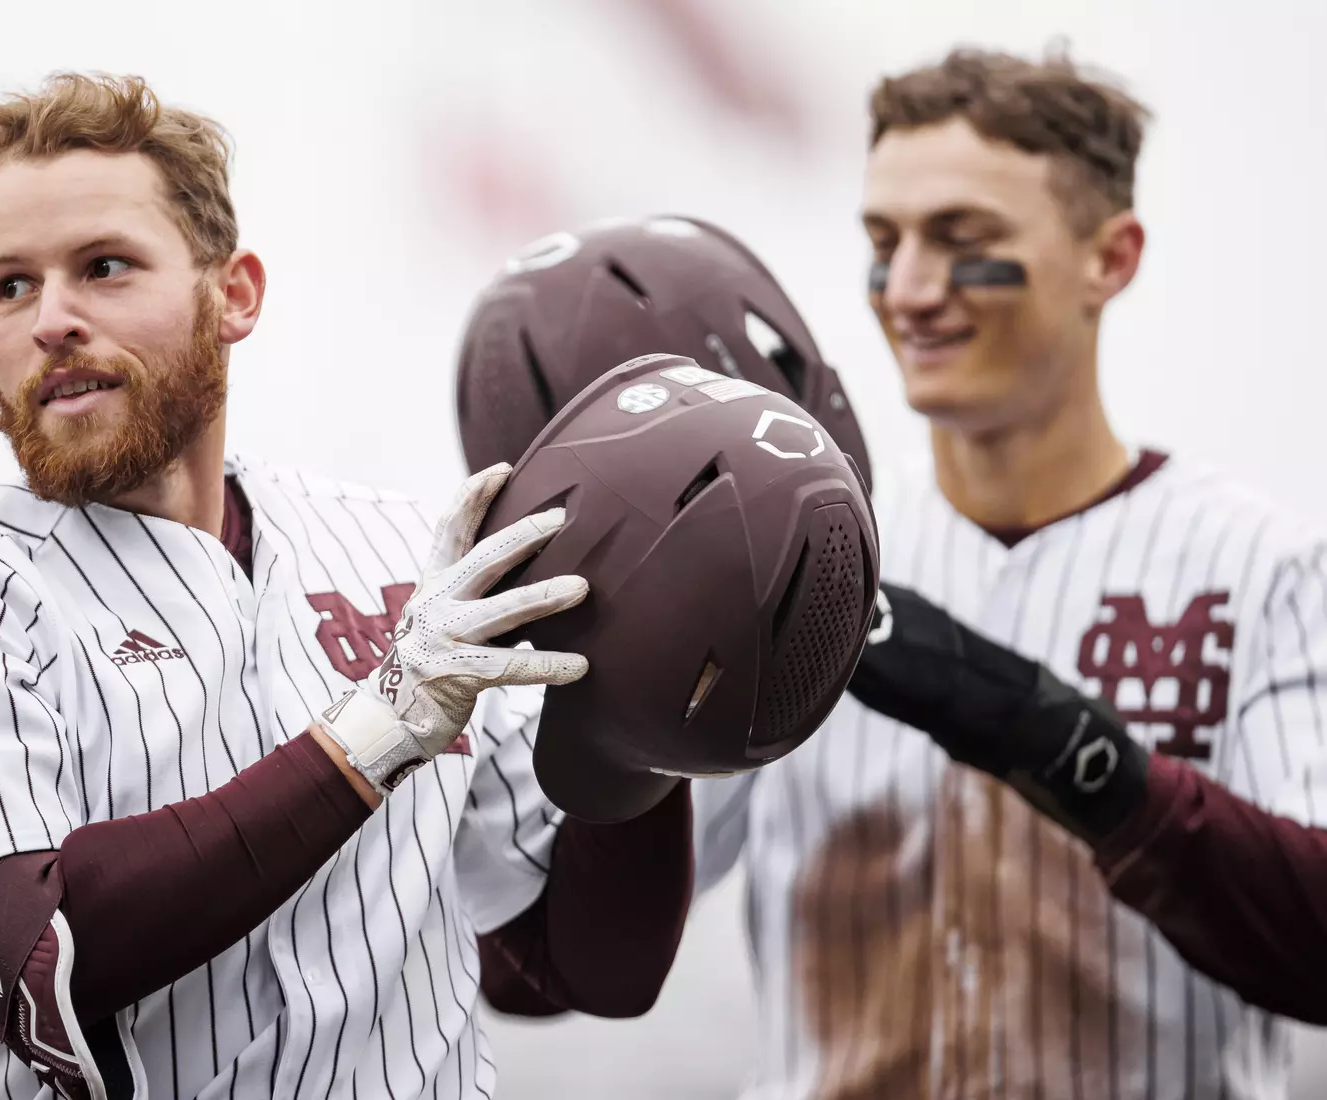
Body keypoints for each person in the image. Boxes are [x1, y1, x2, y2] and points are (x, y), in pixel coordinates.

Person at [0, 72, 696, 1100]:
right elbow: (45, 958)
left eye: (105, 266)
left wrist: (649, 706)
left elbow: (588, 965)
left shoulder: (400, 548)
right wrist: (380, 725)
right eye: (11, 285)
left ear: (235, 293)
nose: (53, 319)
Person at [453, 47, 1327, 1100]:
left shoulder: (1261, 560)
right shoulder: (771, 548)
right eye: (884, 241)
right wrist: (608, 697)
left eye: (965, 240)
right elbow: (543, 966)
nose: (909, 288)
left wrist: (1059, 740)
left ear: (1111, 256)